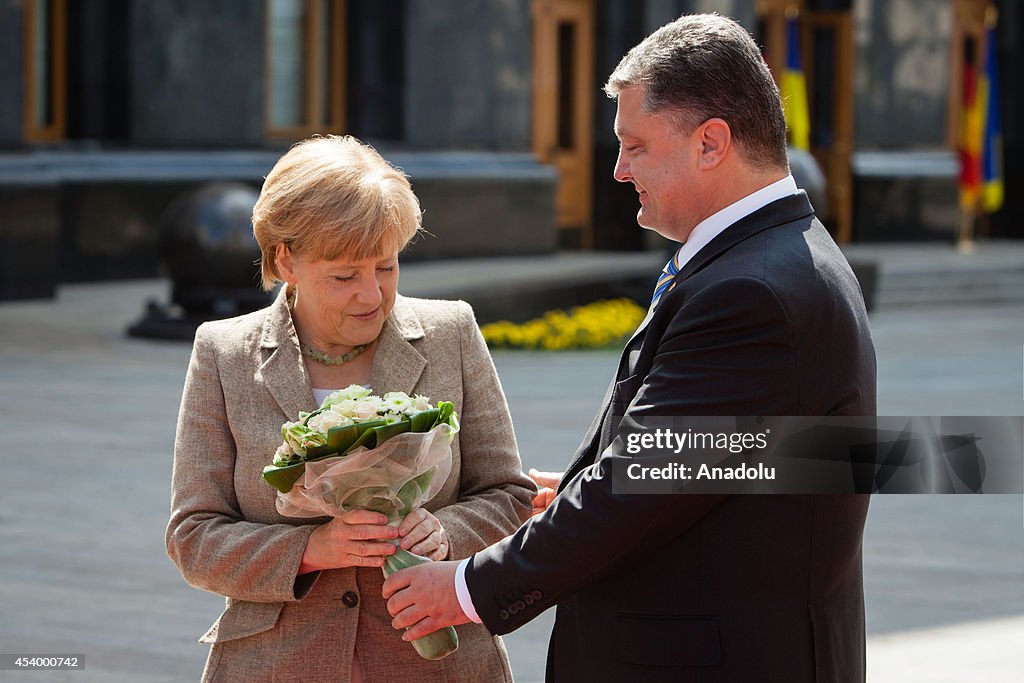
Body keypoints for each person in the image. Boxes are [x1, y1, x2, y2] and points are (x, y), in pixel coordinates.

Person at [382, 13, 876, 683]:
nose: (617, 170)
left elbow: (640, 487)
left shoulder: (752, 289)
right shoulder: (771, 257)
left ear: (710, 142)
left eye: (635, 144)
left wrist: (465, 587)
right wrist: (587, 485)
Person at [165, 135, 535, 683]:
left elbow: (509, 494)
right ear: (286, 258)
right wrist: (312, 548)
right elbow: (193, 537)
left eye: (386, 267)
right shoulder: (225, 354)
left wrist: (445, 533)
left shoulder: (450, 332)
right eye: (344, 275)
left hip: (438, 664)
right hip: (277, 663)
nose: (371, 295)